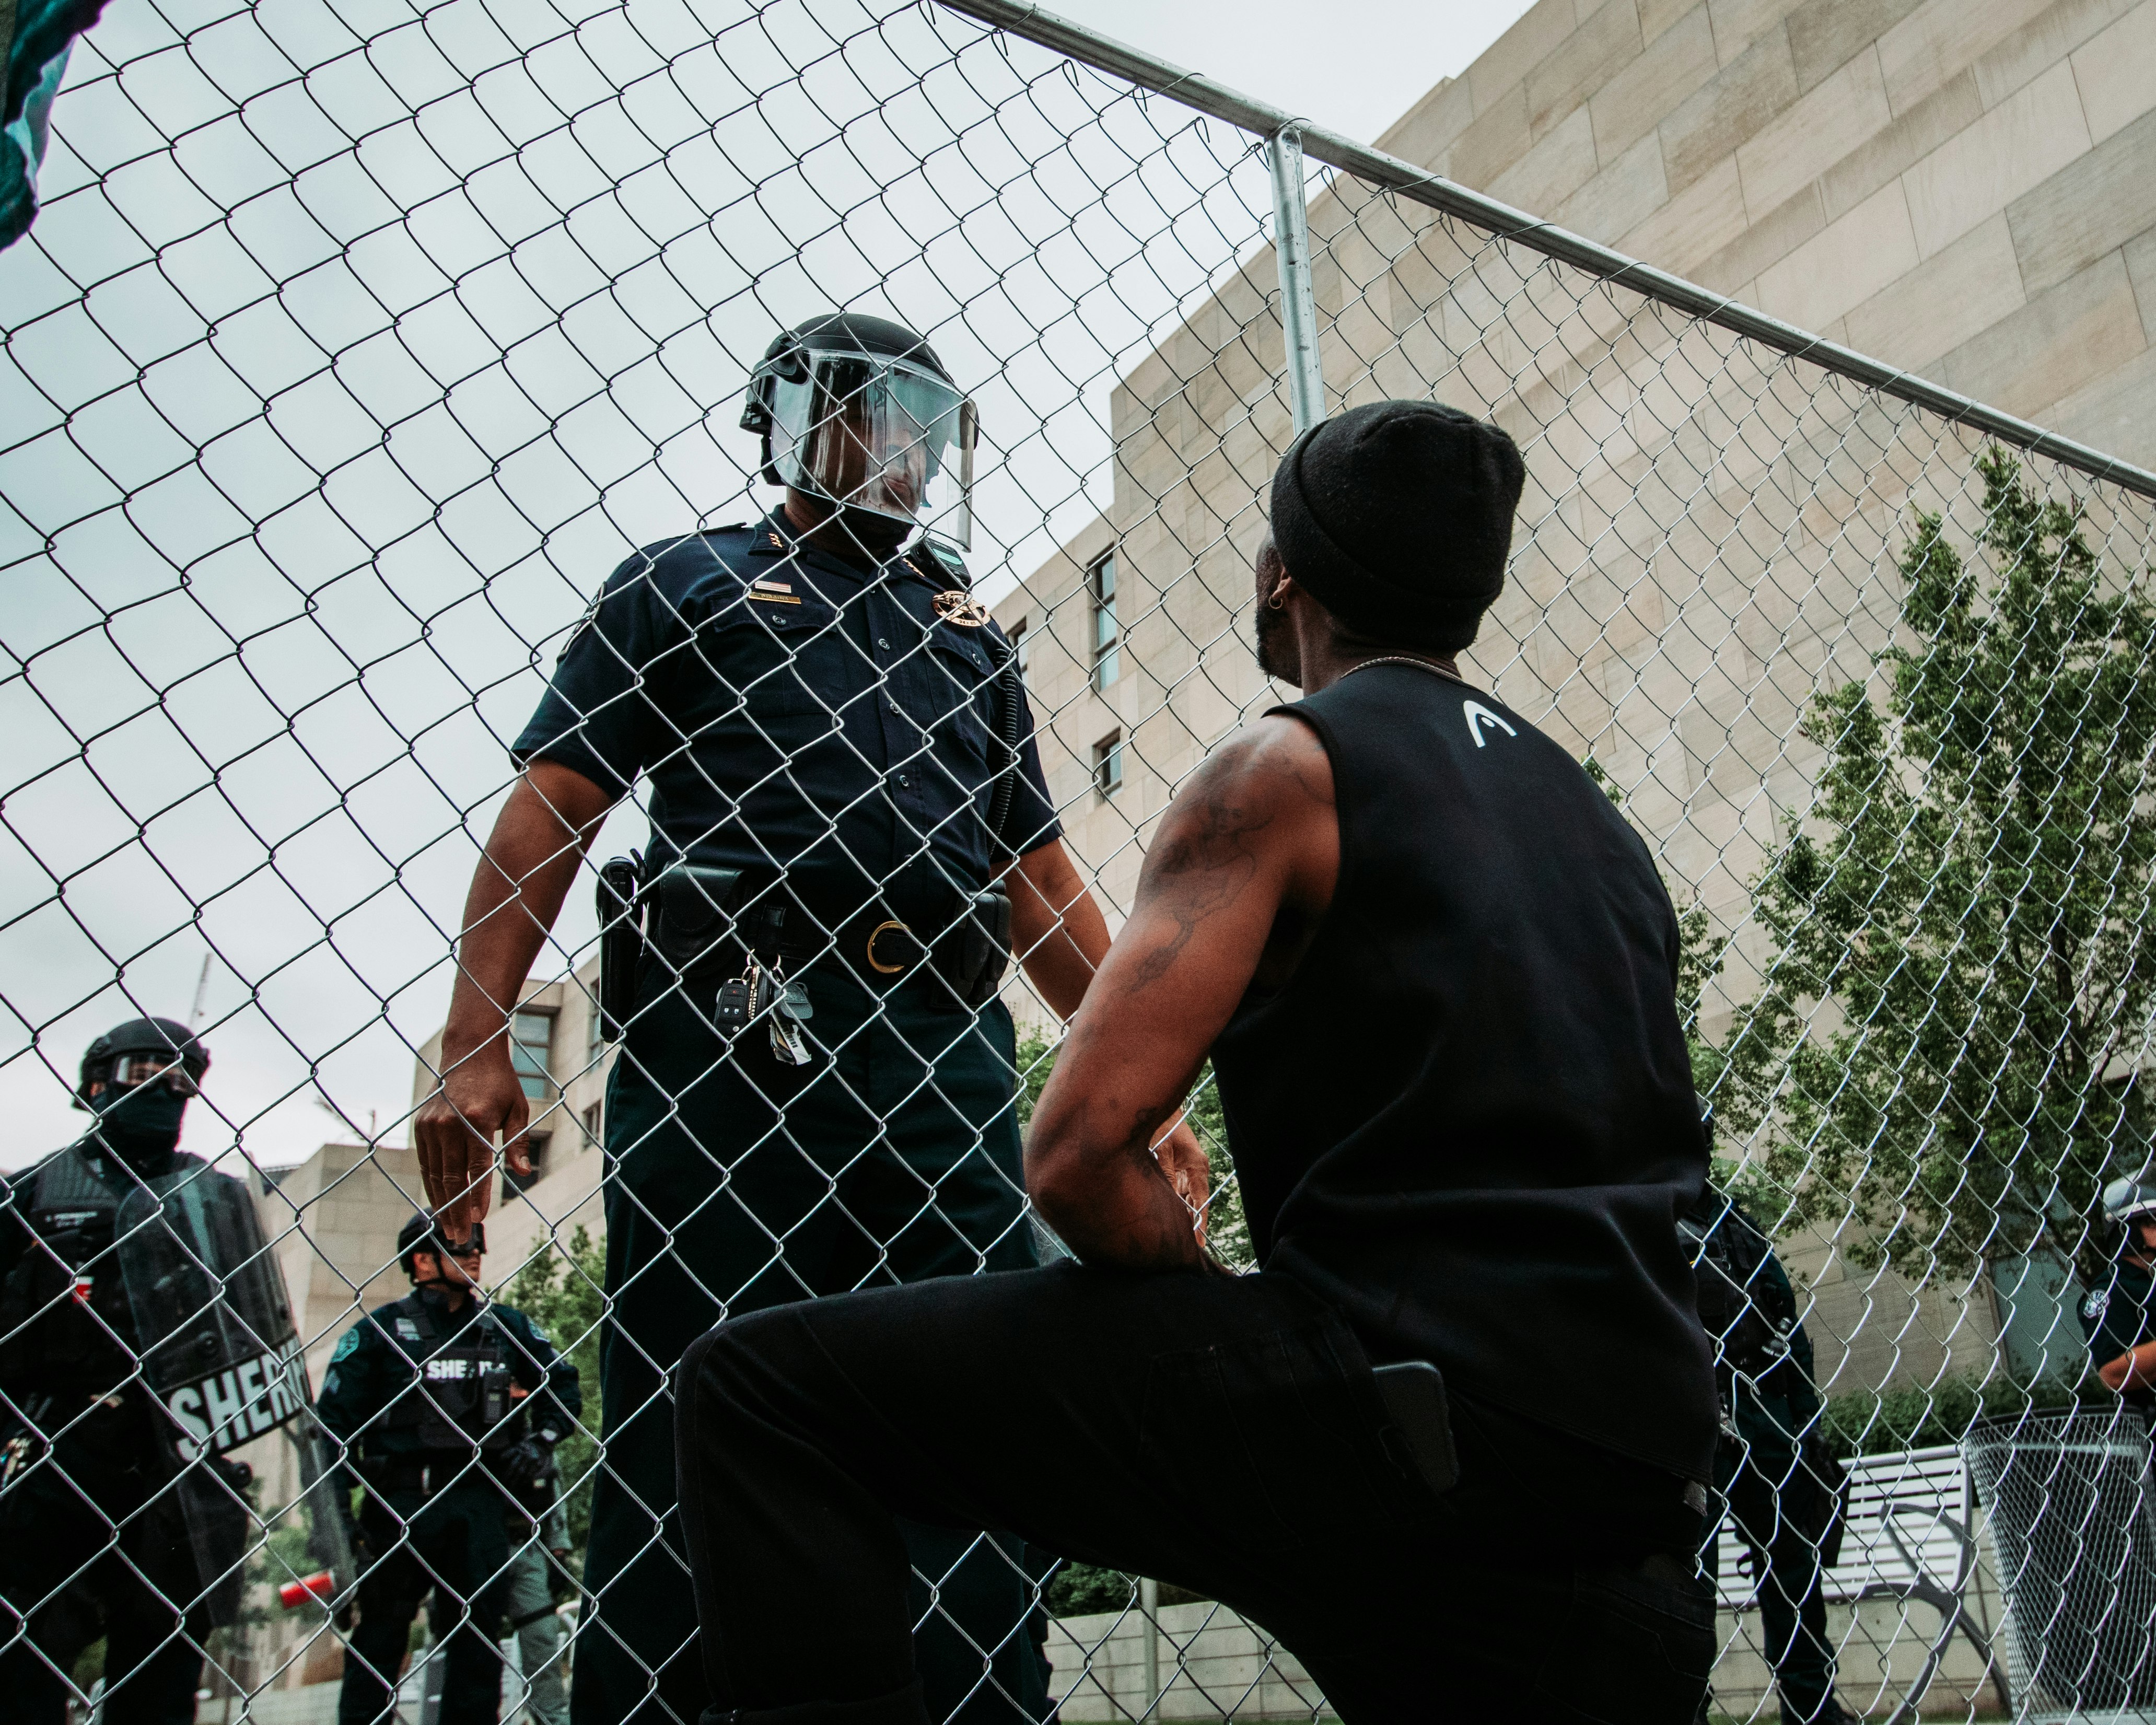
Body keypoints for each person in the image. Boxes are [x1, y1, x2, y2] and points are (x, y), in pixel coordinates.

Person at [671, 400, 1722, 1724]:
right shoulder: (1597, 829)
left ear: (1284, 575)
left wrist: (1198, 1279)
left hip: (1396, 1421)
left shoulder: (1285, 767)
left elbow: (1074, 1155)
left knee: (760, 1394)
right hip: (1639, 1493)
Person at [411, 309, 1199, 1725]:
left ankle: (971, 1705)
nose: (897, 447)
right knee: (692, 1396)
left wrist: (1144, 1096)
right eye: (867, 411)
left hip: (942, 1054)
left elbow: (1037, 880)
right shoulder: (683, 583)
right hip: (732, 1040)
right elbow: (553, 801)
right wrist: (475, 1042)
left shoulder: (963, 629)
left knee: (972, 1395)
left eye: (921, 421)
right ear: (791, 420)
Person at [0, 1017, 252, 1725]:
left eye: (183, 1079)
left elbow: (253, 1328)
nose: (168, 1089)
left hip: (172, 1448)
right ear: (96, 1082)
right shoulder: (35, 1191)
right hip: (56, 1441)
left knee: (163, 1660)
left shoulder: (212, 1196)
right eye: (147, 1073)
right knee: (29, 1651)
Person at [320, 1214, 581, 1725]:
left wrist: (541, 1440)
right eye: (460, 1245)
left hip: (480, 1505)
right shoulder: (379, 1332)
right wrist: (337, 1520)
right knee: (379, 1638)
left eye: (478, 1244)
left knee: (477, 1646)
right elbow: (331, 1428)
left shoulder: (507, 1326)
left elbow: (563, 1384)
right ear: (421, 1260)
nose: (475, 1254)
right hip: (400, 1507)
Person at [1684, 1181, 1854, 1725]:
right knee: (1688, 1585)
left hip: (1765, 1423)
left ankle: (1811, 1710)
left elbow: (1788, 1323)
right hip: (1689, 1426)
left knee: (1793, 1573)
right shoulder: (1640, 1210)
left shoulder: (1737, 1223)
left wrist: (1807, 1428)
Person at [500, 1464, 573, 1725]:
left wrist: (558, 1548)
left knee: (543, 1636)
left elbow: (550, 1476)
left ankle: (552, 1717)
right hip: (478, 1539)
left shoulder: (532, 1436)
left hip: (526, 1545)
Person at [2082, 1177, 2156, 1412]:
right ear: (2128, 1232)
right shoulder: (2110, 1290)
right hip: (2148, 1431)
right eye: (2152, 1223)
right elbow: (2114, 1375)